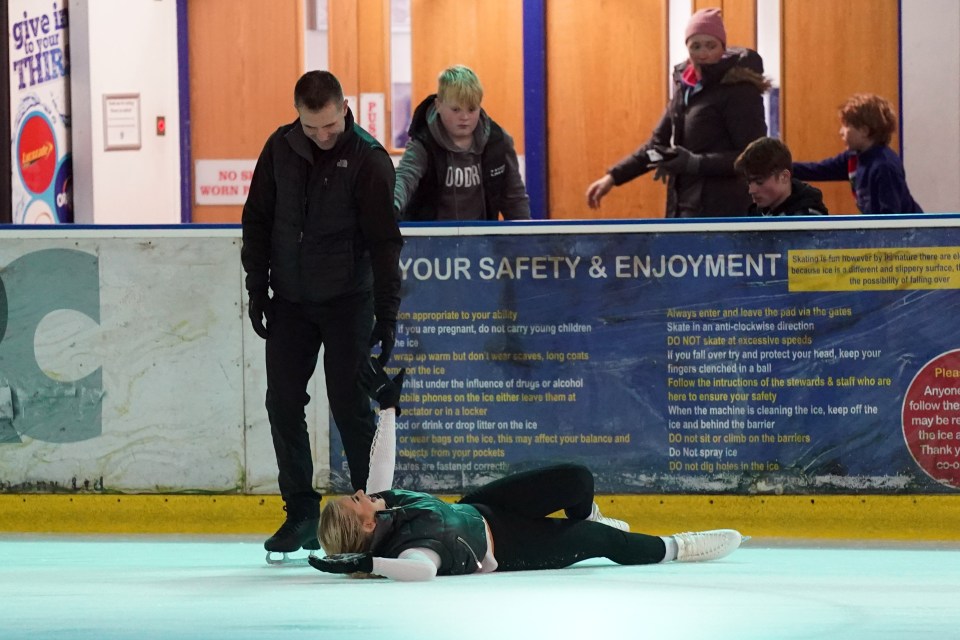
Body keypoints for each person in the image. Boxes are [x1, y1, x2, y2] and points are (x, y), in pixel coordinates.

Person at [309, 360, 746, 581]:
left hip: (486, 508)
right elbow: (422, 574)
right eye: (355, 501)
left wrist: (387, 407)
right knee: (603, 541)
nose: (361, 493)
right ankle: (678, 547)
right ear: (364, 528)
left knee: (576, 478)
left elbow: (380, 460)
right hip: (513, 547)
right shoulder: (410, 554)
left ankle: (587, 512)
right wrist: (371, 563)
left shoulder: (385, 503)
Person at [241, 70, 404, 561]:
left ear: (344, 108)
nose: (322, 136)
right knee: (282, 403)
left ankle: (371, 515)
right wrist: (257, 287)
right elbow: (258, 220)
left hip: (348, 301)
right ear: (298, 115)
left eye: (330, 125)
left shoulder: (369, 159)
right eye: (311, 128)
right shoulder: (280, 148)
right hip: (290, 300)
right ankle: (301, 513)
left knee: (351, 408)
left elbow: (384, 242)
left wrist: (387, 314)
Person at [585, 7, 770, 218]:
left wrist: (695, 163)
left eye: (711, 46)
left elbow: (753, 156)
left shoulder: (739, 90)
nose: (703, 54)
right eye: (695, 46)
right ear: (687, 49)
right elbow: (656, 146)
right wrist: (613, 177)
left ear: (723, 47)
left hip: (726, 212)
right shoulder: (685, 89)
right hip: (684, 208)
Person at [394, 64, 531, 221]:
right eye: (456, 110)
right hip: (431, 239)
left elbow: (514, 198)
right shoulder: (423, 144)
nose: (464, 117)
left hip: (482, 239)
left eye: (471, 109)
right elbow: (404, 178)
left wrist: (525, 238)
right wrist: (391, 205)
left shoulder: (498, 143)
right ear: (439, 105)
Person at [792, 93, 923, 214]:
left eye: (846, 126)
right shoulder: (853, 157)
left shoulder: (884, 166)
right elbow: (817, 170)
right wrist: (781, 168)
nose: (841, 132)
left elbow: (891, 218)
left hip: (910, 234)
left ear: (864, 131)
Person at [734, 137, 828, 216]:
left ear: (784, 177)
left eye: (759, 182)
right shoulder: (756, 214)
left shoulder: (809, 220)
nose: (751, 190)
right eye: (749, 182)